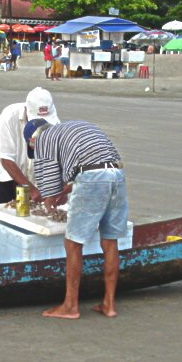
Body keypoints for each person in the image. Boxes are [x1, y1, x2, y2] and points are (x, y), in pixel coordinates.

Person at [24, 119, 128, 319]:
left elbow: (49, 187)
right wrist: (65, 190)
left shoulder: (43, 140)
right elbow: (93, 166)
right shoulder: (72, 129)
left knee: (72, 242)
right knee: (110, 240)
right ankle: (109, 304)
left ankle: (70, 306)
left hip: (93, 177)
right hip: (116, 173)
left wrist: (50, 201)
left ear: (32, 140)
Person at [0, 87, 60, 223]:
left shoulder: (56, 124)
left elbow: (53, 163)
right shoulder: (10, 115)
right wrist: (31, 189)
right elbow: (6, 160)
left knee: (27, 223)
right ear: (27, 111)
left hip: (33, 181)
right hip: (2, 178)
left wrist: (54, 191)